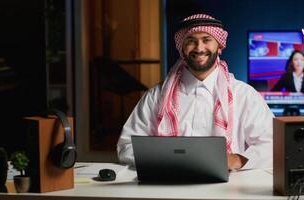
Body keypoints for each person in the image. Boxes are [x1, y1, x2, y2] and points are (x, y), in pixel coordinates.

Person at [117, 14, 274, 170]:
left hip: (228, 189)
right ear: (181, 47)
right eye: (191, 41)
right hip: (169, 187)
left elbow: (273, 144)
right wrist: (167, 160)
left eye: (206, 40)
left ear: (219, 46)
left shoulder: (244, 95)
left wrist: (236, 160)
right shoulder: (157, 95)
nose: (199, 48)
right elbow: (126, 145)